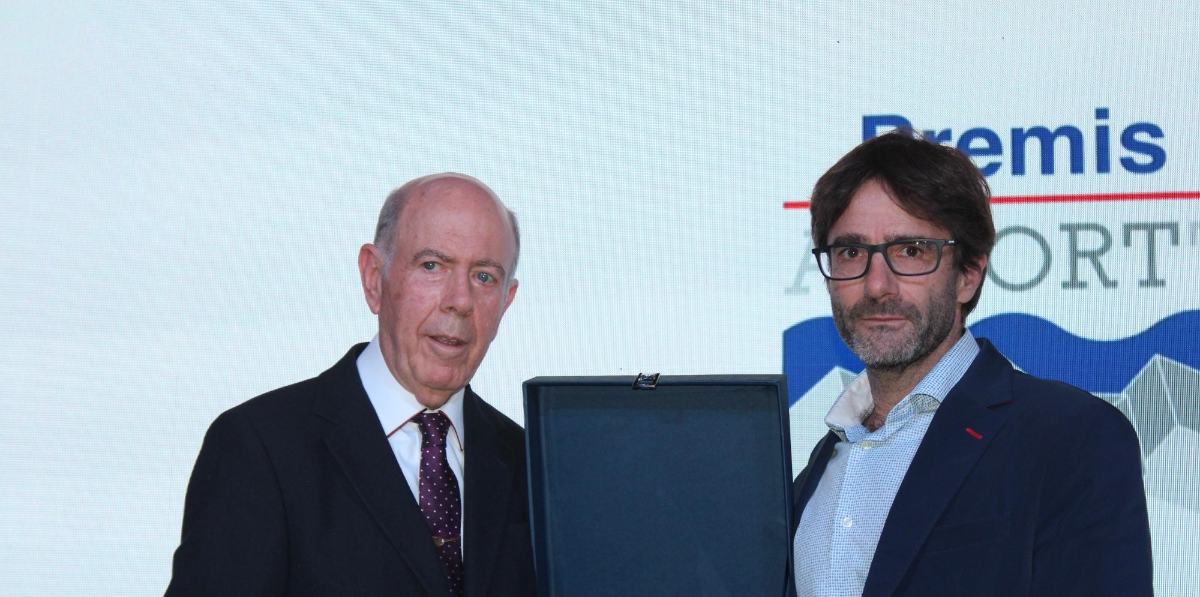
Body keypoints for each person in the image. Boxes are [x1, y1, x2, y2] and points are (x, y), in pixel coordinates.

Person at [791, 130, 1152, 597]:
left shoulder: (1072, 436)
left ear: (968, 274)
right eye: (851, 252)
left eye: (911, 251)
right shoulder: (812, 473)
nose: (877, 285)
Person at [166, 173, 535, 597]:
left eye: (484, 277)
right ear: (374, 277)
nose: (460, 301)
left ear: (506, 301)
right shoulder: (259, 448)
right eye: (432, 266)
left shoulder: (532, 467)